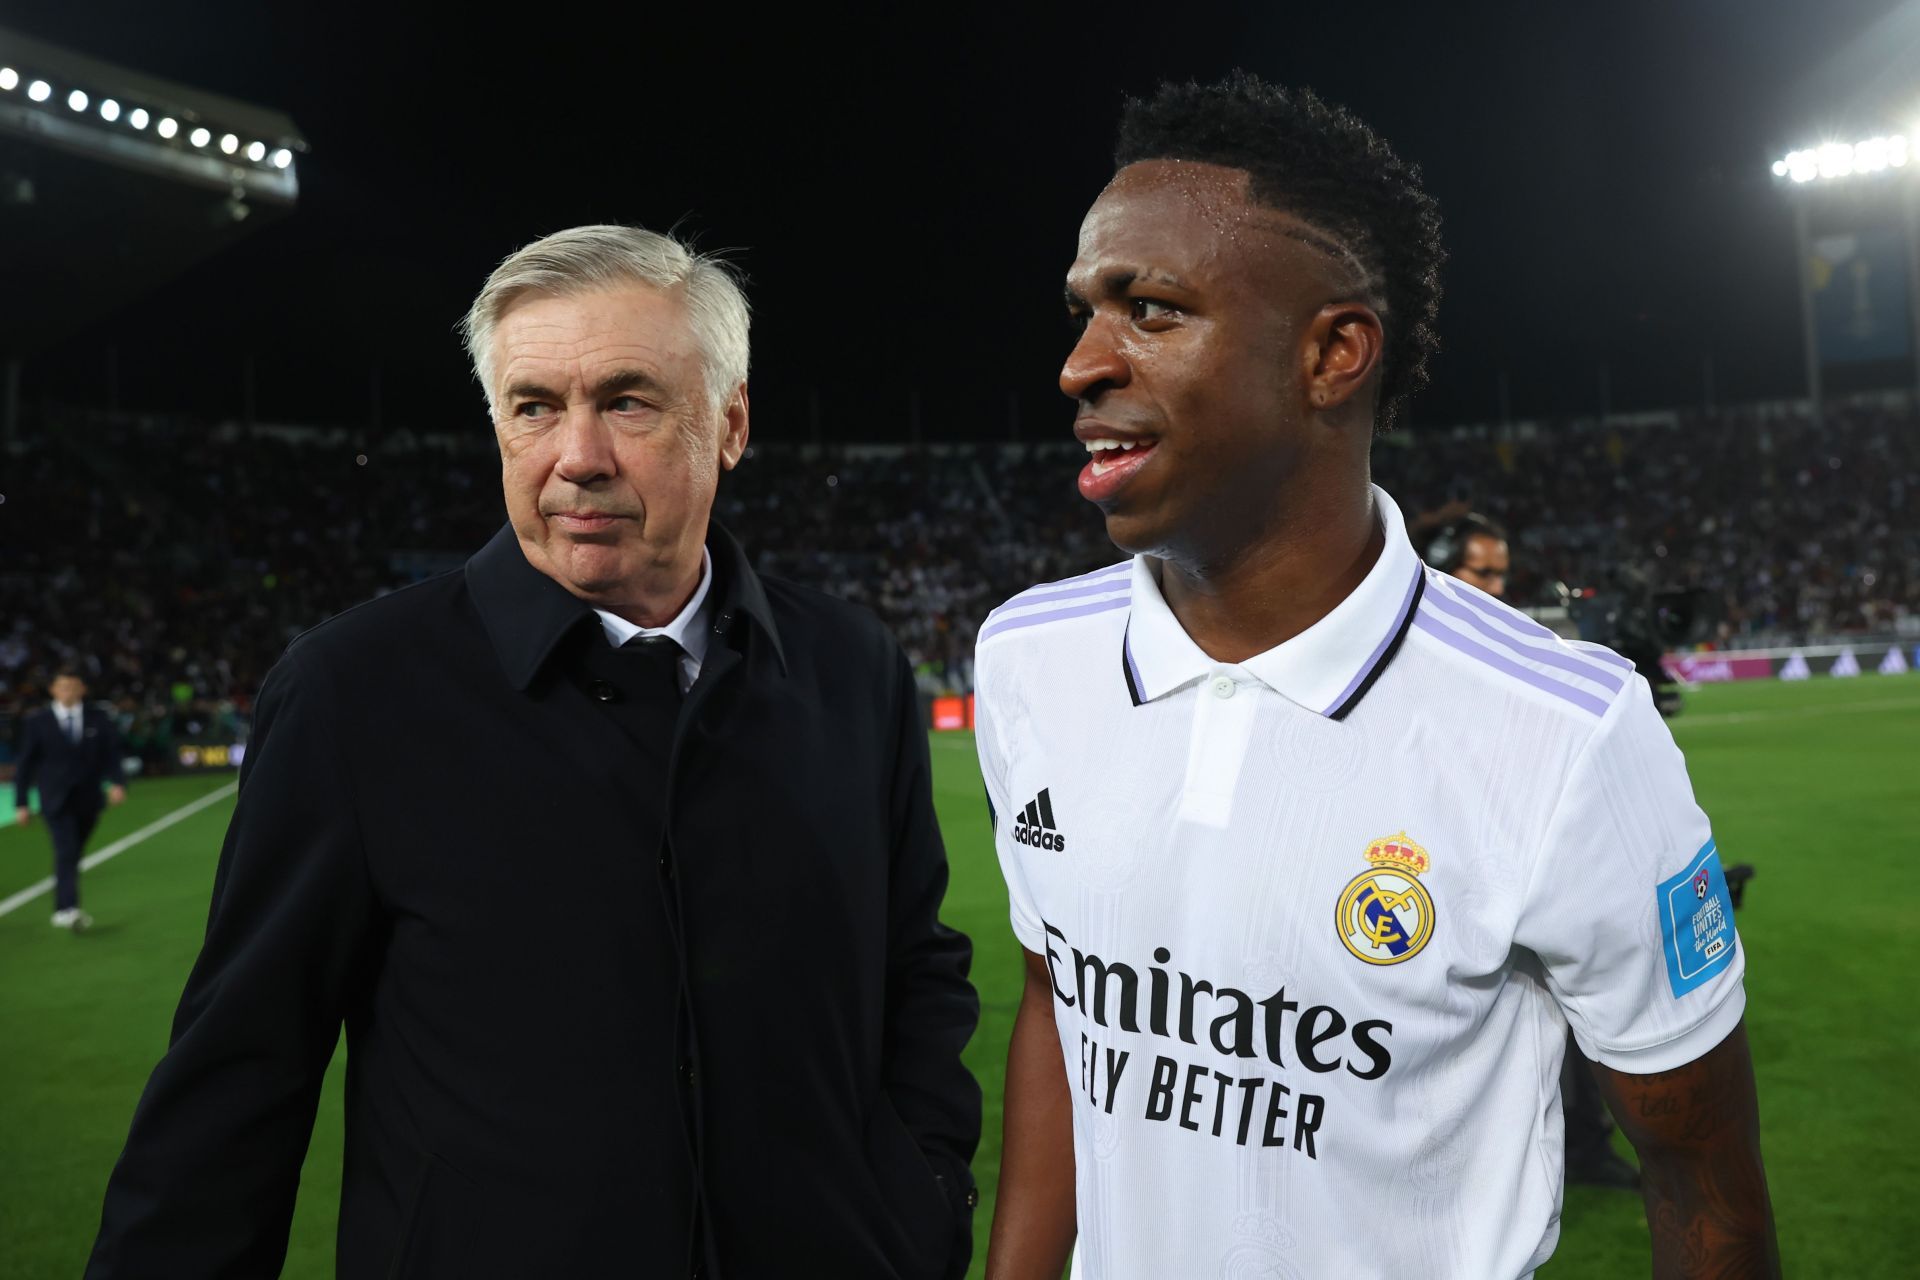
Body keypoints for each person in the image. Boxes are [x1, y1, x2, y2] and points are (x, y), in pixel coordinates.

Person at [976, 74, 1776, 1279]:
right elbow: (1060, 1004)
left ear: (1334, 354)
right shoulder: (1030, 655)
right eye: (1087, 308)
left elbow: (1701, 1170)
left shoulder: (1564, 730)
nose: (1081, 362)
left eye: (1151, 309)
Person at [86, 226, 981, 1280]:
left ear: (730, 423)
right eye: (534, 406)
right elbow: (237, 1082)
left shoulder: (853, 671)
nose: (577, 455)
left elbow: (916, 968)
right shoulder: (354, 693)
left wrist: (923, 1198)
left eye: (627, 400)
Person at [1422, 513, 1640, 1192]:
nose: (1494, 587)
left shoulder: (1513, 655)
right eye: (1480, 572)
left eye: (1500, 574)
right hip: (1431, 877)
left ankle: (1581, 1149)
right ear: (1437, 564)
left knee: (1561, 1015)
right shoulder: (1406, 654)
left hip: (1518, 872)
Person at [13, 668, 127, 930]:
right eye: (63, 687)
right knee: (66, 851)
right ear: (53, 690)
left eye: (73, 687)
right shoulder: (37, 722)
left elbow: (112, 754)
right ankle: (67, 908)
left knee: (74, 852)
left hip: (89, 800)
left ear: (82, 690)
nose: (68, 692)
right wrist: (21, 803)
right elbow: (25, 765)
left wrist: (118, 782)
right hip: (55, 800)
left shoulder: (98, 719)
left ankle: (64, 903)